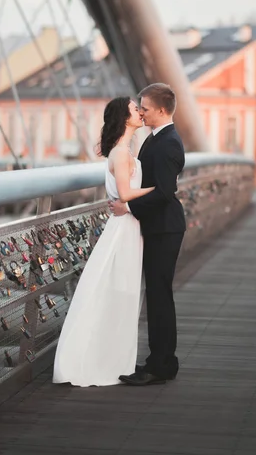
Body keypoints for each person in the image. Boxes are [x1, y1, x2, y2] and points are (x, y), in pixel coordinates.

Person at [52, 97, 154, 387]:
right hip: (123, 229)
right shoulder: (121, 153)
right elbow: (124, 194)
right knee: (119, 292)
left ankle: (116, 358)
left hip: (129, 227)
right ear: (124, 117)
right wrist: (160, 189)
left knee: (123, 292)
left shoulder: (127, 150)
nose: (140, 112)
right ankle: (104, 360)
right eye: (136, 109)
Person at [110, 83, 186, 386]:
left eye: (145, 108)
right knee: (158, 295)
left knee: (159, 296)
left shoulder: (168, 143)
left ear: (162, 110)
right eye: (138, 107)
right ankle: (164, 361)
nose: (141, 111)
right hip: (158, 225)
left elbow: (166, 192)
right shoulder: (157, 138)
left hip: (165, 227)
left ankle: (159, 364)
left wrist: (128, 208)